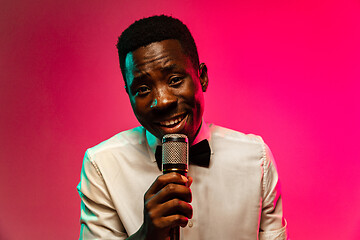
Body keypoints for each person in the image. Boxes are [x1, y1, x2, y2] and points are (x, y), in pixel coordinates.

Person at [77, 15, 288, 240]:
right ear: (129, 94)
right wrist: (146, 236)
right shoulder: (102, 164)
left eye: (175, 80)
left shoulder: (256, 158)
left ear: (202, 77)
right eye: (143, 89)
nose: (163, 101)